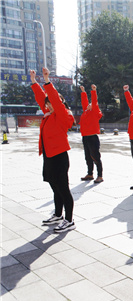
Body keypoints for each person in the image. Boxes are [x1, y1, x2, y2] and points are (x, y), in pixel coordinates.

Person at [30, 68, 76, 233]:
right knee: (54, 185)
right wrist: (35, 82)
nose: (48, 105)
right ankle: (58, 214)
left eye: (52, 103)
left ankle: (69, 220)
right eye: (47, 104)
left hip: (59, 156)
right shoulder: (48, 114)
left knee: (63, 187)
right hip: (49, 156)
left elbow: (54, 99)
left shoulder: (63, 115)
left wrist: (47, 81)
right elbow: (42, 98)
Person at [79, 84, 104, 183]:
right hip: (85, 137)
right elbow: (84, 102)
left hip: (92, 137)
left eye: (91, 104)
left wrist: (94, 91)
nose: (89, 104)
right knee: (87, 156)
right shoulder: (86, 112)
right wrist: (83, 92)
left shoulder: (94, 112)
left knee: (95, 157)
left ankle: (100, 176)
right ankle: (90, 174)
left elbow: (94, 102)